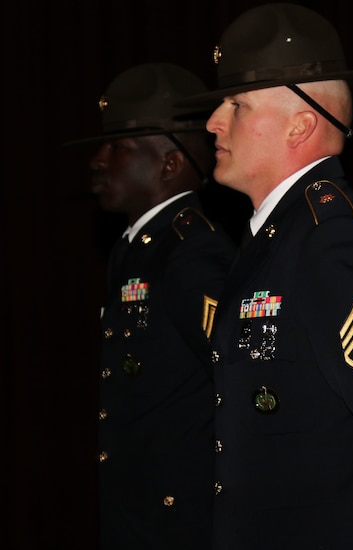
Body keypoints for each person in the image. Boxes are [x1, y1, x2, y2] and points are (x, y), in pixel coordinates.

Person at [179, 3, 353, 548]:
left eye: (236, 105)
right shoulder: (277, 235)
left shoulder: (332, 237)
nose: (212, 123)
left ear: (300, 125)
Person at [65, 62, 237, 549]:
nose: (98, 160)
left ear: (169, 164)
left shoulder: (191, 251)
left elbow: (235, 373)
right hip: (139, 511)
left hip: (178, 520)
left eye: (118, 148)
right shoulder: (137, 247)